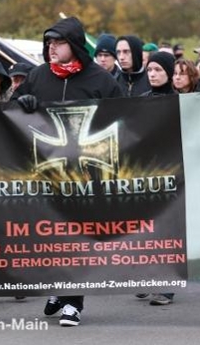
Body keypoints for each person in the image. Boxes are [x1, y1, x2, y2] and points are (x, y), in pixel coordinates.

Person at [12, 16, 123, 327]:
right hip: (45, 171)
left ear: (73, 45)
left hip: (87, 176)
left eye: (57, 43)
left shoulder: (101, 80)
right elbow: (11, 112)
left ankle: (73, 302)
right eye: (48, 43)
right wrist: (24, 100)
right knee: (51, 235)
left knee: (78, 238)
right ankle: (59, 288)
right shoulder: (38, 75)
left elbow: (127, 119)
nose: (51, 48)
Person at [135, 50, 177, 306]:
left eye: (158, 70)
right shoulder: (140, 101)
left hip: (173, 174)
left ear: (169, 73)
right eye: (149, 70)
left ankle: (167, 287)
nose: (152, 74)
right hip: (146, 173)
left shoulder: (180, 101)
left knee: (169, 230)